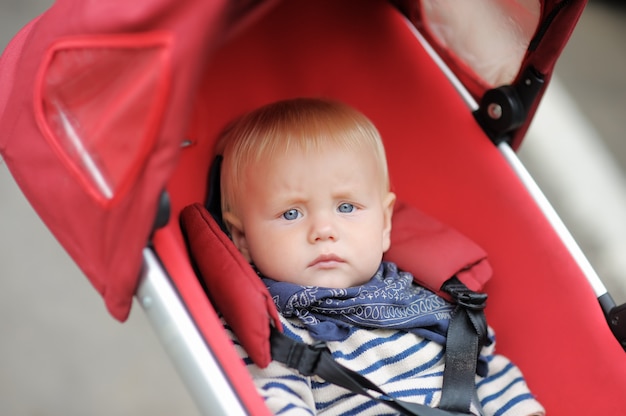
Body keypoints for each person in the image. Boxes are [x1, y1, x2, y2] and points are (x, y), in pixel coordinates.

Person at [217, 97, 545, 416]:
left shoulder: (424, 303)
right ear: (243, 238)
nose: (323, 230)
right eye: (290, 213)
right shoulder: (272, 331)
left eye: (346, 207)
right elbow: (275, 400)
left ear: (385, 222)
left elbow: (482, 369)